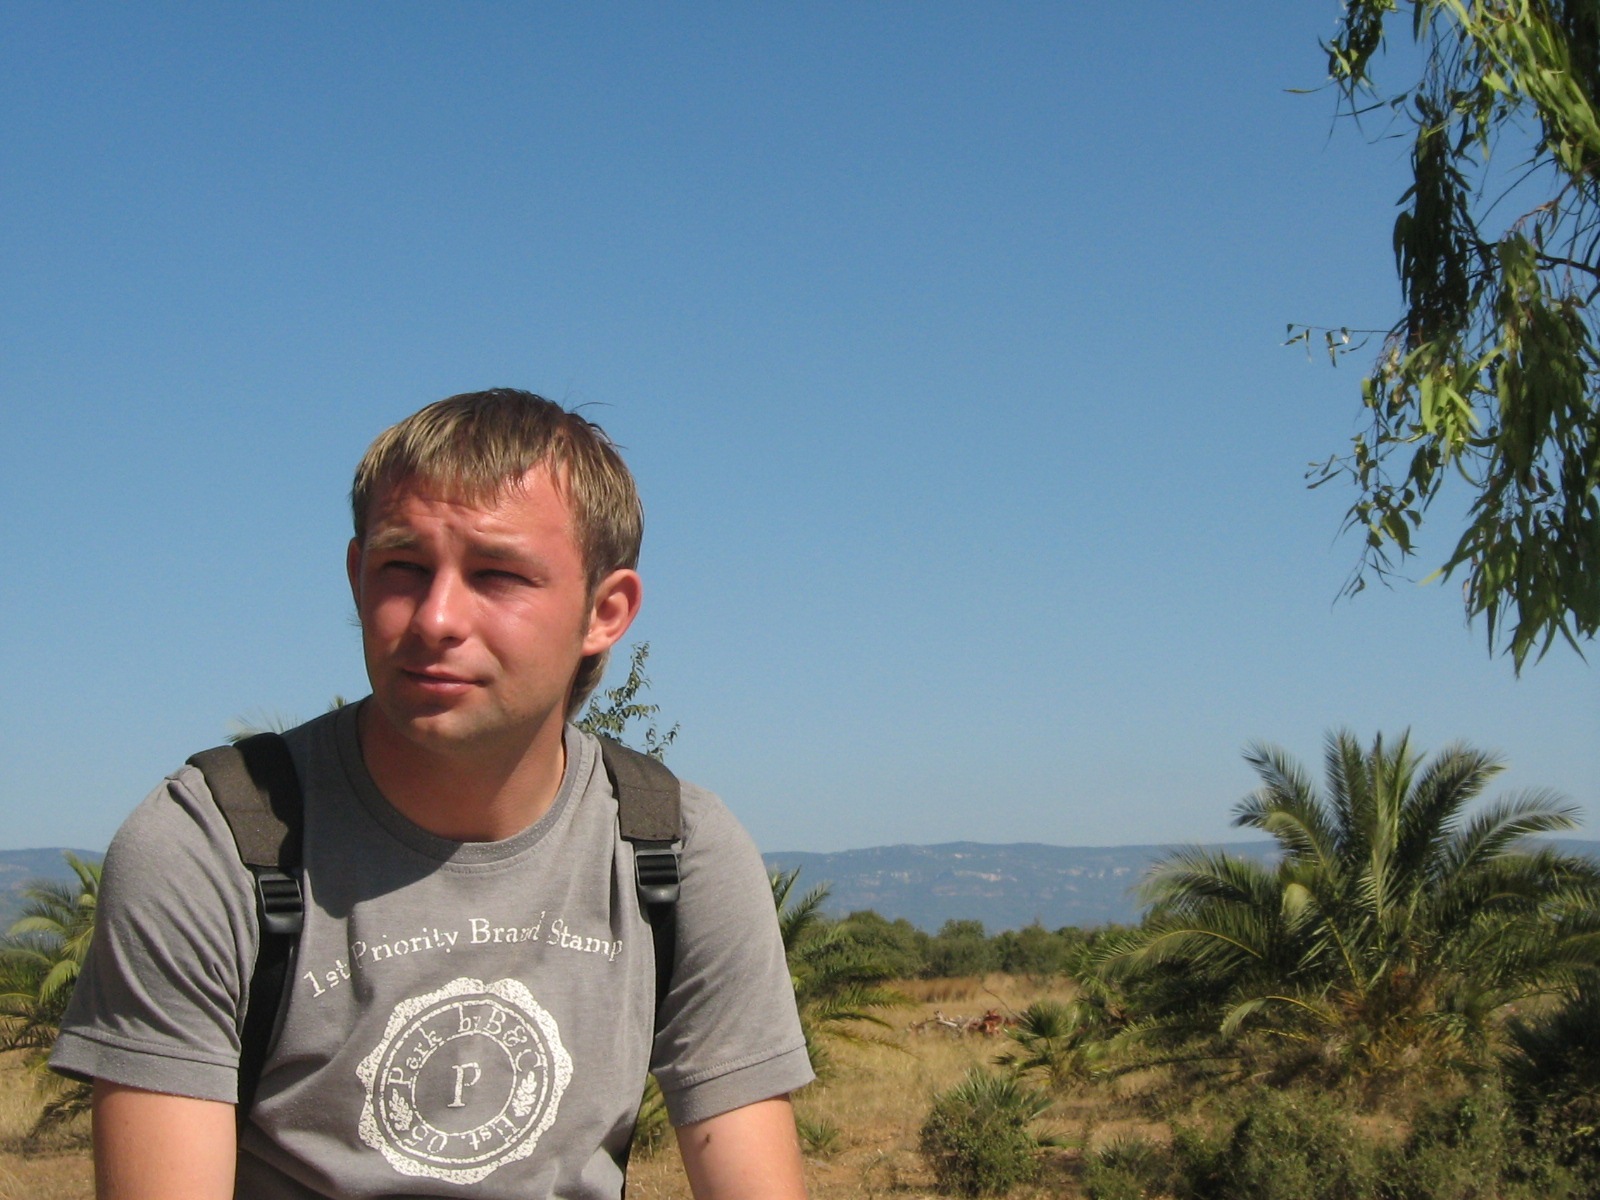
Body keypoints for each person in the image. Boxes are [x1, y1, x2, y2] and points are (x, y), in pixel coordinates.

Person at [52, 389, 813, 1199]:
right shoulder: (213, 847)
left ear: (605, 611)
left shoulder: (676, 851)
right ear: (357, 578)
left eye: (497, 574)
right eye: (403, 568)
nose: (436, 618)